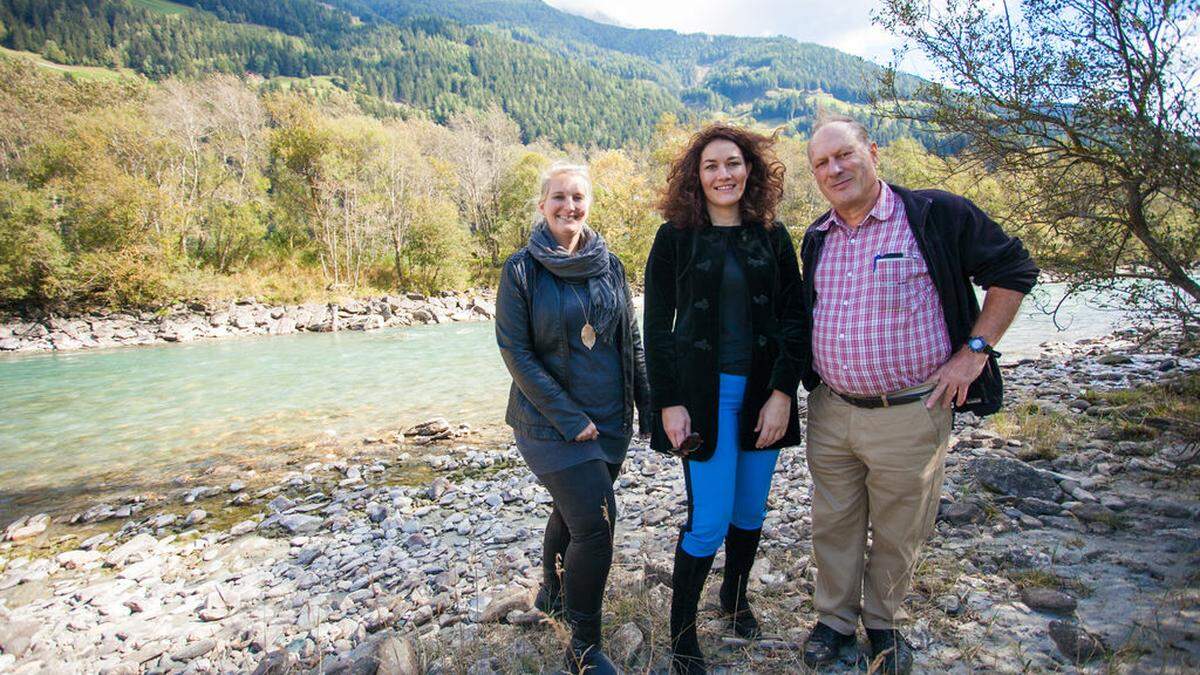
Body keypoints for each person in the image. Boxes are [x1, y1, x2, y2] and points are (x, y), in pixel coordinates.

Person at [797, 114, 1039, 673]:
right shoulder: (817, 236)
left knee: (902, 523)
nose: (835, 169)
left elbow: (1013, 270)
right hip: (832, 409)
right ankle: (833, 620)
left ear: (872, 153)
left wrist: (975, 351)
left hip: (913, 408)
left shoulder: (934, 215)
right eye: (822, 164)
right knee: (833, 521)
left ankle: (882, 623)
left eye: (844, 155)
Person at [643, 124, 805, 674]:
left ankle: (735, 601)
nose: (723, 174)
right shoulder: (674, 238)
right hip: (703, 400)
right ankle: (682, 633)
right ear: (697, 176)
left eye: (732, 163)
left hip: (763, 397)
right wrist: (668, 402)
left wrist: (784, 391)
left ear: (749, 169)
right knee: (707, 519)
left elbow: (794, 319)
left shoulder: (773, 236)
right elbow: (656, 327)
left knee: (750, 510)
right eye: (711, 165)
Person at [495, 162, 649, 675]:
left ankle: (550, 593)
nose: (569, 207)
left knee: (573, 511)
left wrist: (646, 405)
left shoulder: (612, 266)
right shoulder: (521, 270)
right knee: (597, 526)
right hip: (548, 424)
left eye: (578, 197)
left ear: (589, 204)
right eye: (558, 197)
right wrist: (568, 417)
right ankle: (583, 643)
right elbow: (515, 351)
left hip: (609, 421)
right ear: (542, 206)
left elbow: (631, 340)